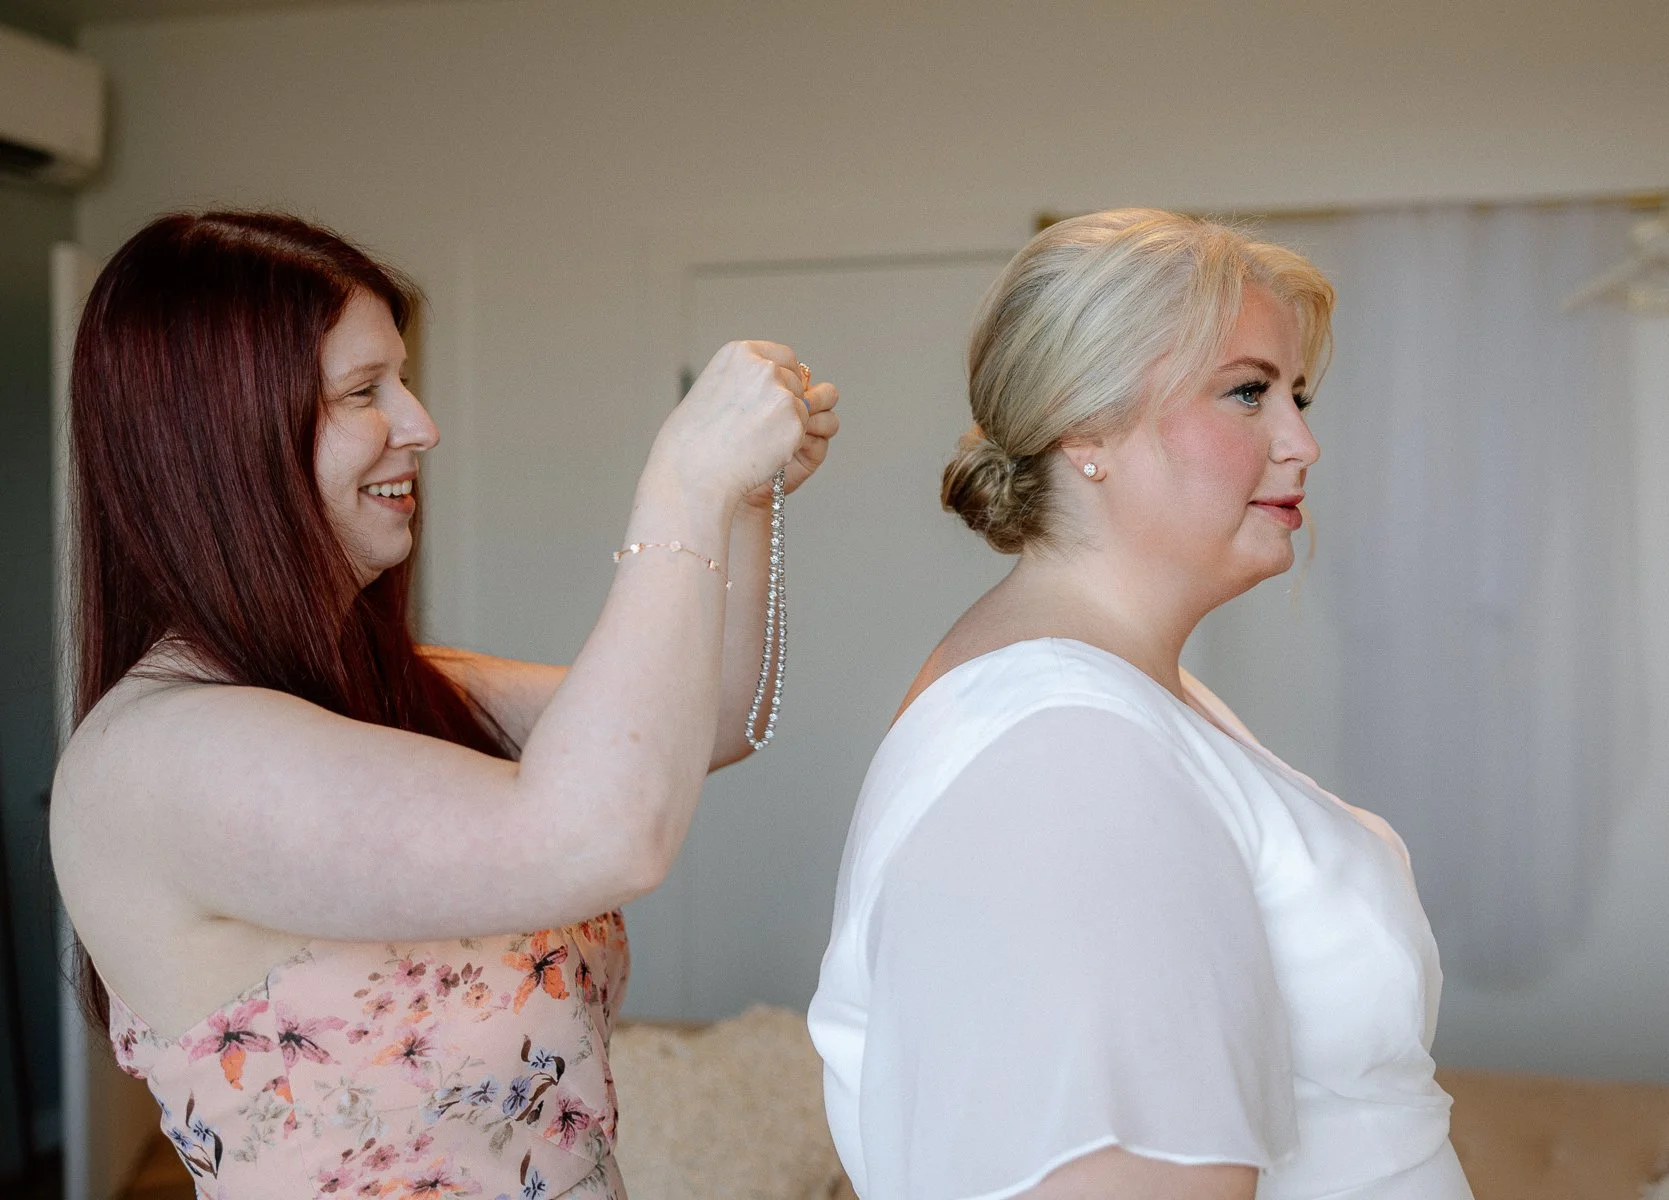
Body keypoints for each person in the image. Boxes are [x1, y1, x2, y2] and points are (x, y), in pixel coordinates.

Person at [49, 210, 839, 1199]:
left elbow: (715, 717)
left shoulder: (391, 689)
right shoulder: (167, 753)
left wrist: (742, 501)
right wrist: (681, 483)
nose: (421, 425)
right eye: (364, 391)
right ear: (222, 438)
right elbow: (601, 838)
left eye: (404, 381)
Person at [809, 208, 1474, 1200]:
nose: (1303, 442)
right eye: (1247, 392)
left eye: (1297, 395)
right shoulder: (1065, 748)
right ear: (1086, 426)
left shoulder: (1127, 695)